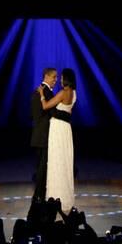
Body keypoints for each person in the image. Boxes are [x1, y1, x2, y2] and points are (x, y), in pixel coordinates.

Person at [38, 68, 77, 214]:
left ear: (66, 79)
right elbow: (69, 112)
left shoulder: (62, 93)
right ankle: (65, 197)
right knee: (65, 162)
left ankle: (55, 197)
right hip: (66, 129)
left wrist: (42, 95)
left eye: (61, 78)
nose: (59, 80)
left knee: (56, 161)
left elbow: (45, 106)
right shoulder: (74, 94)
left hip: (58, 129)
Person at [30, 67, 71, 203]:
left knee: (42, 166)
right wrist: (67, 114)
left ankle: (40, 195)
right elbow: (51, 111)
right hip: (43, 136)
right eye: (54, 77)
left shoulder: (41, 91)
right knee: (42, 167)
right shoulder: (45, 92)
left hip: (39, 135)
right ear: (47, 76)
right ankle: (38, 196)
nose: (55, 80)